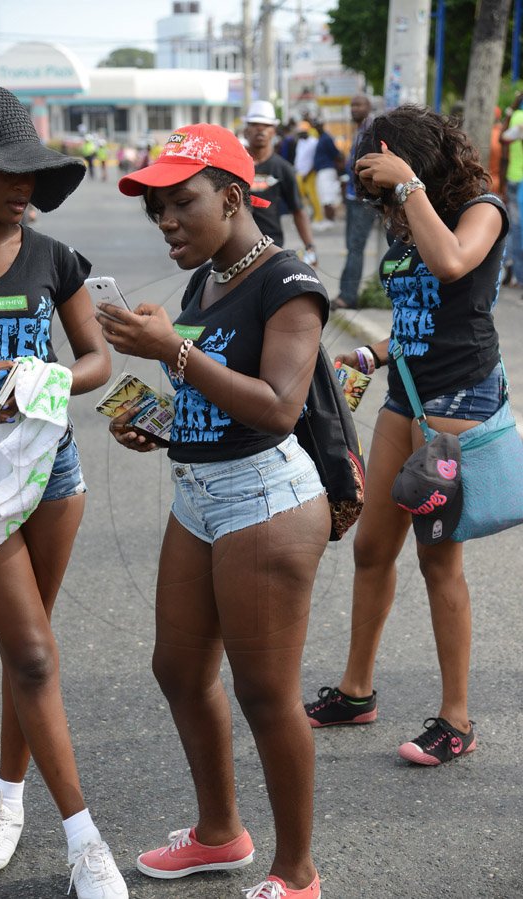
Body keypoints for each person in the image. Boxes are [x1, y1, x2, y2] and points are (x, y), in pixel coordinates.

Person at [97, 122, 331, 899]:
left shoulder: (286, 282)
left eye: (179, 203)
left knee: (265, 693)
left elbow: (276, 406)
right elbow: (209, 387)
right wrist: (157, 422)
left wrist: (171, 352)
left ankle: (297, 874)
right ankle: (219, 833)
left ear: (232, 197)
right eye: (155, 209)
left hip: (264, 495)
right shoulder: (208, 280)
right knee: (179, 669)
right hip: (199, 493)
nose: (165, 221)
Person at [0, 84, 127, 897]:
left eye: (36, 175)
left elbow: (97, 360)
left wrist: (50, 377)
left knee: (27, 648)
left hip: (51, 469)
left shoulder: (55, 258)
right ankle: (87, 844)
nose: (27, 189)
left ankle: (8, 798)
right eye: (11, 172)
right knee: (36, 651)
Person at [304, 105, 509, 766]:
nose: (385, 203)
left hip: (458, 403)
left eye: (387, 184)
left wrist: (408, 188)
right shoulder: (407, 222)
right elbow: (419, 318)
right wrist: (372, 356)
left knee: (437, 559)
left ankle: (456, 719)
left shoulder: (484, 209)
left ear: (413, 163)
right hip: (406, 397)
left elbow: (451, 265)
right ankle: (357, 690)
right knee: (371, 549)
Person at [243, 100, 317, 267]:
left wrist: (309, 247)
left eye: (266, 125)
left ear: (273, 131)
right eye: (255, 124)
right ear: (246, 130)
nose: (260, 129)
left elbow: (298, 210)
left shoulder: (283, 169)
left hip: (270, 248)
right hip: (235, 249)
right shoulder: (234, 166)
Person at [331, 94, 378, 311]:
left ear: (368, 107)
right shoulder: (358, 130)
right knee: (351, 246)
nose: (354, 109)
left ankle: (348, 296)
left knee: (355, 247)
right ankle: (346, 293)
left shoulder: (372, 131)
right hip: (352, 196)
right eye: (352, 105)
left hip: (363, 199)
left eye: (358, 105)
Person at [500, 93, 523, 289]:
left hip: (513, 177)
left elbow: (504, 137)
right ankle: (519, 275)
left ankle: (513, 270)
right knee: (518, 229)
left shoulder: (515, 116)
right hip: (520, 180)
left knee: (515, 228)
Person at [312, 120, 342, 230]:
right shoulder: (320, 138)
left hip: (327, 170)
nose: (317, 127)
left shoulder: (326, 138)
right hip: (322, 170)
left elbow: (336, 154)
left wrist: (340, 168)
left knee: (327, 196)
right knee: (323, 195)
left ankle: (330, 220)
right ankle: (327, 219)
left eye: (318, 125)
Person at [294, 120, 323, 225]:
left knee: (312, 195)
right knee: (301, 196)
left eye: (301, 132)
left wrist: (309, 172)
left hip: (309, 174)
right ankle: (309, 215)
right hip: (299, 173)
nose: (299, 134)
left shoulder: (314, 142)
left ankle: (318, 217)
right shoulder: (301, 142)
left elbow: (314, 159)